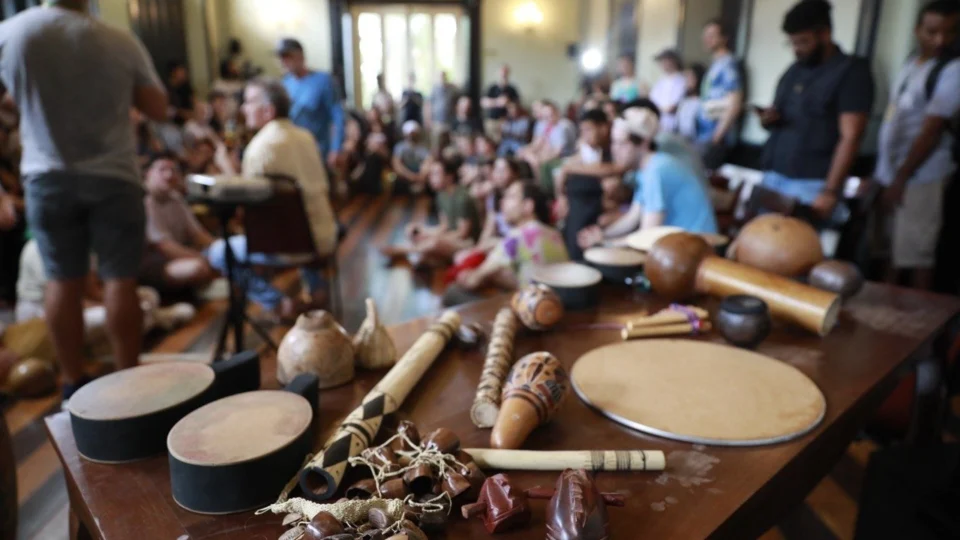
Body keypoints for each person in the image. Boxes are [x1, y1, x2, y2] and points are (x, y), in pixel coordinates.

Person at [0, 0, 168, 398]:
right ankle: (130, 380)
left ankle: (72, 383)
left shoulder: (13, 32)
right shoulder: (118, 40)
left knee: (62, 280)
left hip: (47, 175)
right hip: (114, 176)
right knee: (119, 280)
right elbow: (158, 107)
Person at [213, 78, 340, 315]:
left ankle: (279, 303)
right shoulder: (306, 136)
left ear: (268, 110)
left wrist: (226, 167)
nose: (243, 108)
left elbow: (245, 210)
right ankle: (318, 288)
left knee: (218, 252)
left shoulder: (260, 147)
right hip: (323, 238)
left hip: (285, 246)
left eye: (249, 102)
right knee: (301, 216)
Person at [757, 0, 875, 222]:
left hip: (812, 182)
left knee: (797, 251)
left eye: (803, 42)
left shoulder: (851, 72)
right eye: (792, 43)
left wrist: (830, 191)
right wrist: (768, 119)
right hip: (774, 175)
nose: (797, 49)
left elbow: (851, 137)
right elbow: (779, 118)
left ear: (825, 34)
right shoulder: (794, 71)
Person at [875, 0, 960, 289]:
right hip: (893, 173)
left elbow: (932, 129)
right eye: (932, 32)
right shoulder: (913, 63)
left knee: (916, 256)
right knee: (892, 252)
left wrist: (901, 177)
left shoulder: (952, 69)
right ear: (917, 30)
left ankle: (918, 325)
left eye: (948, 33)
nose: (940, 40)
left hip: (920, 176)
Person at [578, 104, 718, 250]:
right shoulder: (647, 169)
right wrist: (603, 234)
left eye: (621, 143)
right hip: (683, 247)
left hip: (695, 251)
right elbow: (633, 217)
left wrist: (605, 243)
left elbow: (647, 236)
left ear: (643, 142)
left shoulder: (656, 171)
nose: (615, 150)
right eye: (614, 143)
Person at [445, 180, 568, 306]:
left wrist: (468, 275)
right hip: (559, 306)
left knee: (452, 292)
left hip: (533, 310)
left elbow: (473, 280)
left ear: (528, 205)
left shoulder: (516, 236)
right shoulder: (554, 234)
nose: (502, 201)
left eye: (510, 197)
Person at [380, 156, 480, 264]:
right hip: (450, 235)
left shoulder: (462, 198)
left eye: (436, 174)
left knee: (434, 243)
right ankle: (428, 253)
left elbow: (463, 233)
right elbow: (444, 225)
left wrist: (435, 237)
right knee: (411, 229)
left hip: (466, 243)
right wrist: (425, 233)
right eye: (431, 174)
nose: (431, 177)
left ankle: (404, 250)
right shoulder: (441, 195)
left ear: (449, 176)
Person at [140, 153, 217, 290]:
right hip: (153, 265)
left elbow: (198, 234)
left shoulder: (175, 198)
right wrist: (203, 258)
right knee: (198, 268)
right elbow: (164, 247)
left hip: (177, 256)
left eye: (173, 170)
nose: (169, 175)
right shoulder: (145, 201)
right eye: (162, 169)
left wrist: (221, 250)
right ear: (148, 173)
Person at [277, 38, 345, 170]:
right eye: (281, 58)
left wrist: (336, 148)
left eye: (288, 57)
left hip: (318, 150)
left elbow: (338, 116)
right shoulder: (285, 84)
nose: (284, 62)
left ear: (300, 56)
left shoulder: (323, 81)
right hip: (292, 150)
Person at [695, 19, 744, 169]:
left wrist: (717, 137)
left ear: (724, 38)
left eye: (712, 35)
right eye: (705, 35)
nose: (707, 39)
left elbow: (734, 102)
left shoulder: (728, 64)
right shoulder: (715, 64)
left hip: (715, 137)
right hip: (704, 135)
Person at [517, 101, 577, 191]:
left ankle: (542, 189)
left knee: (537, 161)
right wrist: (526, 150)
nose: (548, 119)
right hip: (551, 153)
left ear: (557, 112)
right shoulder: (547, 124)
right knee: (526, 155)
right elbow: (538, 143)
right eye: (545, 117)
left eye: (550, 115)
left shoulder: (564, 126)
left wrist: (541, 158)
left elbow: (558, 152)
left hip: (565, 156)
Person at [650, 50, 687, 133]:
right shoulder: (661, 80)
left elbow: (672, 107)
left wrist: (657, 109)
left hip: (673, 125)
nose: (662, 64)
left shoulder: (681, 80)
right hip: (659, 124)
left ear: (674, 61)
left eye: (665, 61)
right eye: (661, 61)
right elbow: (652, 102)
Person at [481, 64, 520, 139]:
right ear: (498, 73)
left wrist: (508, 103)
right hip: (491, 121)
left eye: (505, 72)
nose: (503, 74)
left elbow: (517, 104)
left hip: (506, 121)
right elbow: (483, 103)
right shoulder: (492, 88)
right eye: (502, 72)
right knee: (490, 142)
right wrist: (497, 102)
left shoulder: (512, 89)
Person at [392, 120, 431, 194]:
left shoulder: (424, 147)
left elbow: (428, 161)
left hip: (421, 179)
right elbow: (397, 165)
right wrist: (411, 176)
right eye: (410, 133)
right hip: (405, 178)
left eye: (413, 133)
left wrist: (421, 176)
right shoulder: (399, 147)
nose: (411, 135)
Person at [426, 71, 460, 150]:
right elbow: (428, 105)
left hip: (449, 121)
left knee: (449, 144)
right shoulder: (434, 89)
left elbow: (457, 102)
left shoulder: (452, 89)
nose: (442, 78)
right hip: (437, 122)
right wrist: (428, 120)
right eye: (441, 77)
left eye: (444, 76)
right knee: (436, 144)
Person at [677, 63, 706, 141]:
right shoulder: (684, 101)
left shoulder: (703, 102)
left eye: (690, 77)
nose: (687, 81)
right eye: (685, 77)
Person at [166, 61, 195, 126]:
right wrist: (186, 114)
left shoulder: (186, 86)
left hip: (191, 120)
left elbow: (194, 101)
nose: (184, 73)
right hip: (175, 123)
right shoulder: (166, 89)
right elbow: (173, 110)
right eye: (181, 71)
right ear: (173, 72)